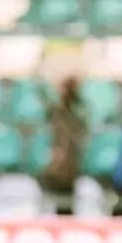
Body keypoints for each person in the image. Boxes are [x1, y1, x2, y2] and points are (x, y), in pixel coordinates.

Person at [42, 77, 86, 215]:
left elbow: (79, 137)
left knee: (67, 202)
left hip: (69, 165)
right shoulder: (57, 112)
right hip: (59, 164)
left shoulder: (77, 115)